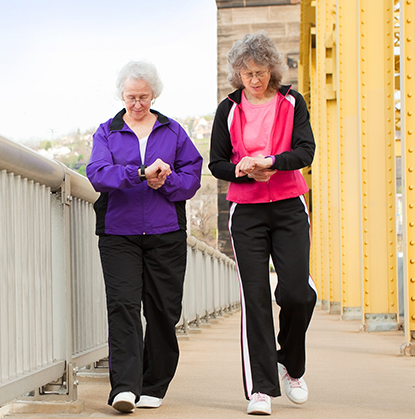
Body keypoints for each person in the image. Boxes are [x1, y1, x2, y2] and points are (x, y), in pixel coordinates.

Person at [209, 32, 317, 416]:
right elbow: (217, 163)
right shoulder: (228, 108)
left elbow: (306, 151)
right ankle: (261, 389)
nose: (253, 79)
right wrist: (241, 170)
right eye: (245, 73)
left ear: (272, 68)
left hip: (289, 206)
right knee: (255, 299)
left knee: (296, 295)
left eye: (259, 71)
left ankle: (292, 364)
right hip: (247, 213)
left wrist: (272, 162)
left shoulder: (291, 101)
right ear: (236, 73)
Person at [87, 60, 203, 413]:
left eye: (143, 97)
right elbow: (97, 173)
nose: (137, 104)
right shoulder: (107, 131)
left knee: (163, 310)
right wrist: (139, 173)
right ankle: (124, 387)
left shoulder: (173, 132)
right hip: (118, 233)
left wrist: (166, 180)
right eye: (130, 97)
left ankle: (154, 383)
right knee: (123, 306)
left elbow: (193, 176)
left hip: (164, 232)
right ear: (121, 96)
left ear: (154, 95)